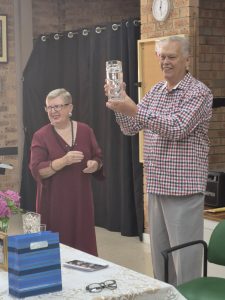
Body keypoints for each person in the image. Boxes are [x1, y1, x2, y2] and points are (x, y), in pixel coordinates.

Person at [105, 36, 213, 285]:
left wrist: (134, 109)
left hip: (183, 190)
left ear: (187, 60)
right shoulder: (155, 91)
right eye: (162, 56)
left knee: (185, 263)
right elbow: (131, 127)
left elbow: (177, 128)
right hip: (156, 187)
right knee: (161, 262)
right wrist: (120, 105)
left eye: (172, 56)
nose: (165, 62)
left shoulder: (199, 92)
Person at [29, 88, 104, 256]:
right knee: (56, 253)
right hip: (54, 204)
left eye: (58, 107)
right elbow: (37, 171)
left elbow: (98, 157)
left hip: (81, 202)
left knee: (84, 252)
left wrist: (95, 165)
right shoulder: (40, 136)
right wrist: (63, 161)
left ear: (70, 108)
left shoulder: (85, 131)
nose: (53, 111)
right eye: (49, 107)